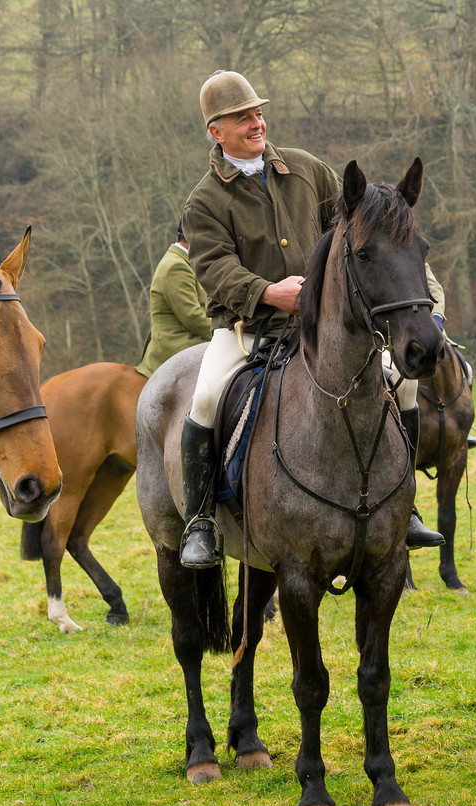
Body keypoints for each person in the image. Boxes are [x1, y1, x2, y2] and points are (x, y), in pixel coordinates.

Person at [179, 69, 444, 569]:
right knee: (206, 398)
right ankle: (201, 522)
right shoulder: (205, 200)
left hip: (326, 329)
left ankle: (404, 509)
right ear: (216, 130)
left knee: (404, 387)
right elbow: (212, 269)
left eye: (258, 113)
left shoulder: (306, 169)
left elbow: (352, 232)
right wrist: (266, 292)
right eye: (242, 118)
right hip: (247, 329)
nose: (257, 123)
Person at [136, 222, 212, 379]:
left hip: (188, 338)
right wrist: (223, 334)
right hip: (177, 343)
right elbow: (192, 317)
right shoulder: (176, 266)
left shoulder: (185, 262)